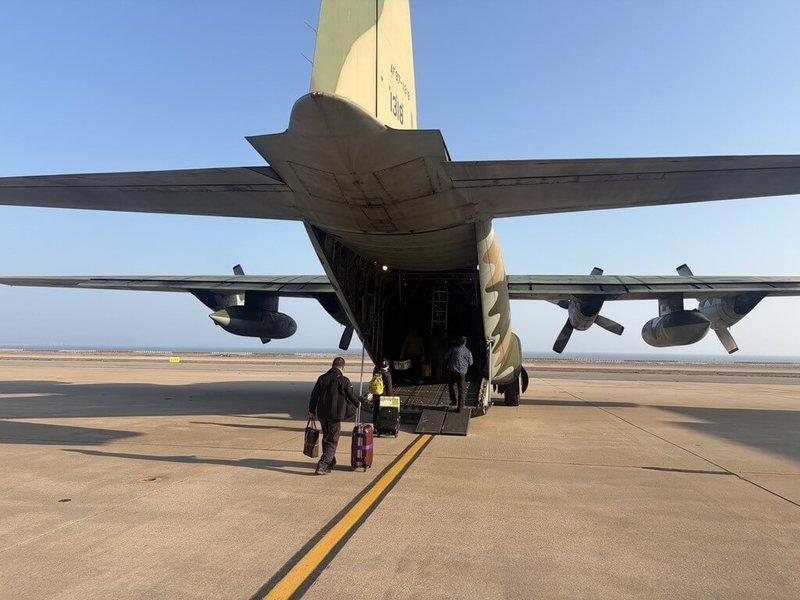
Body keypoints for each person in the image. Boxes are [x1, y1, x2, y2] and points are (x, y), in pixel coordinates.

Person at [308, 356, 360, 475]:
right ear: (343, 367)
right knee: (332, 439)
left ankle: (331, 461)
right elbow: (352, 395)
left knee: (326, 437)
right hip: (335, 415)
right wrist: (358, 403)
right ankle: (322, 465)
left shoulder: (322, 378)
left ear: (333, 366)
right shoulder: (343, 380)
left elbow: (314, 395)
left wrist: (311, 410)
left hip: (322, 414)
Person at [444, 336, 473, 411]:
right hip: (462, 373)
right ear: (465, 342)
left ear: (459, 342)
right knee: (461, 390)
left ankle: (453, 401)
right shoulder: (468, 352)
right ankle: (460, 407)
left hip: (452, 371)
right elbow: (471, 363)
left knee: (451, 386)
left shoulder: (453, 349)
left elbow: (446, 357)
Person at [370, 358, 393, 428]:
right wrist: (390, 397)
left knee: (375, 412)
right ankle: (382, 427)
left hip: (376, 395)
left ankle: (375, 427)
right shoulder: (387, 374)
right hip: (384, 396)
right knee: (383, 412)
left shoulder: (376, 372)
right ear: (388, 366)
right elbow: (389, 387)